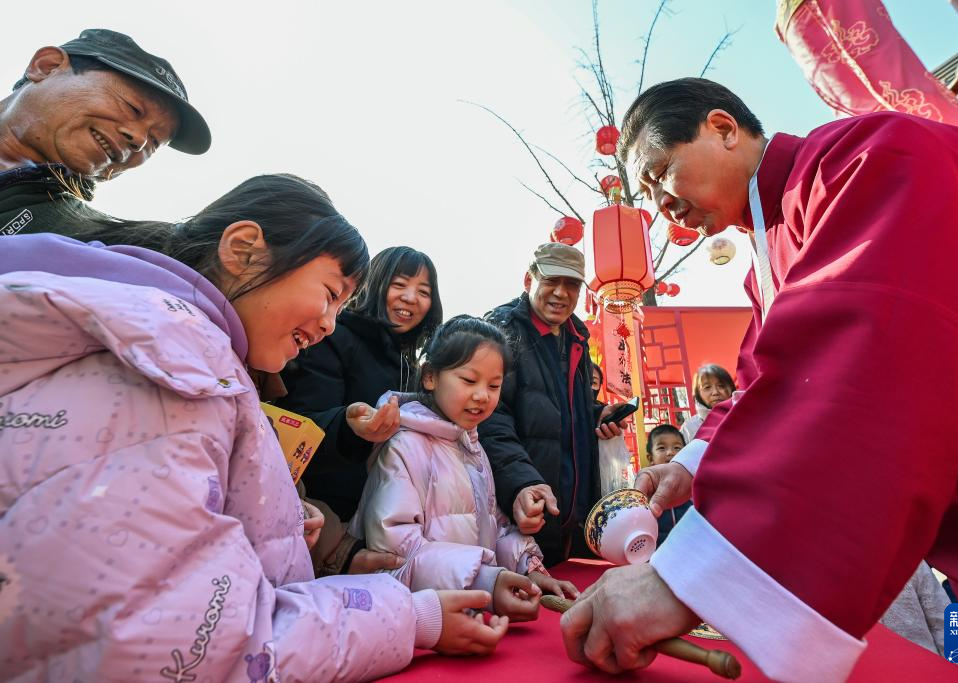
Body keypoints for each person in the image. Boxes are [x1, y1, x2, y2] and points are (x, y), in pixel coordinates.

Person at [559, 77, 958, 683]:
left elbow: (857, 374)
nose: (659, 206)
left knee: (930, 637)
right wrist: (692, 464)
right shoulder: (768, 259)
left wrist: (696, 576)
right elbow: (757, 381)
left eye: (659, 174)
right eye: (646, 194)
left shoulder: (872, 159)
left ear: (722, 129)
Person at [0, 175, 507, 681]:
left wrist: (274, 518)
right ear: (244, 250)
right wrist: (409, 616)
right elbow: (176, 643)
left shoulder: (193, 361)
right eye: (330, 293)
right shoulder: (166, 370)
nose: (330, 322)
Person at [351, 316, 579, 621]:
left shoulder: (473, 447)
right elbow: (394, 554)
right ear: (430, 377)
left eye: (494, 385)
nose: (482, 395)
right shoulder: (403, 447)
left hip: (465, 614)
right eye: (469, 381)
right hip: (416, 622)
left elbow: (493, 526)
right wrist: (484, 581)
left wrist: (529, 570)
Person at [478, 243, 628, 565]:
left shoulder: (577, 337)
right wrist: (523, 482)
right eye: (551, 281)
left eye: (571, 284)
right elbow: (490, 419)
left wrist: (597, 414)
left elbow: (561, 408)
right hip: (522, 508)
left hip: (573, 515)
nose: (561, 293)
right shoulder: (502, 331)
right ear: (528, 280)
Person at [278, 246, 443, 523]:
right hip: (323, 513)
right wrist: (350, 427)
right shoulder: (333, 336)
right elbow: (300, 422)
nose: (411, 298)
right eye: (399, 284)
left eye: (424, 292)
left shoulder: (411, 366)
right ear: (374, 284)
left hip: (385, 516)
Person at [0, 29, 210, 236]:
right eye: (132, 108)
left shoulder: (101, 245)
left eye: (154, 142)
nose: (139, 140)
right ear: (47, 66)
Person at [645, 424, 690, 546]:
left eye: (677, 447)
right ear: (650, 458)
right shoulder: (647, 494)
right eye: (661, 448)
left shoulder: (692, 489)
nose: (670, 453)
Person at [680, 364, 735, 443]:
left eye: (721, 386)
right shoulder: (689, 428)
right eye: (707, 387)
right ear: (698, 393)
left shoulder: (745, 418)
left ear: (731, 389)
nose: (715, 392)